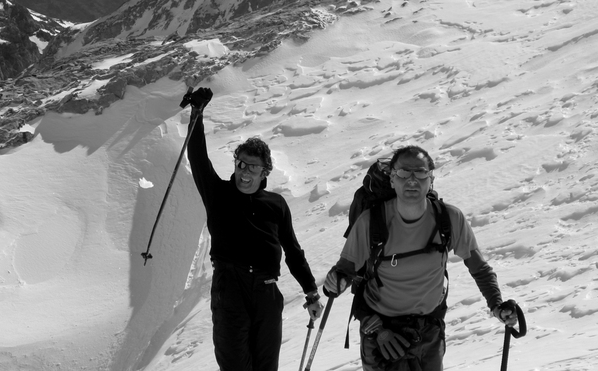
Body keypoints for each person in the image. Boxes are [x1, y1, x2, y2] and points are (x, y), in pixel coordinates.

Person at [323, 145, 518, 371]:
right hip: (382, 332)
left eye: (421, 173)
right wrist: (336, 282)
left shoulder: (449, 218)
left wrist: (496, 305)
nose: (412, 180)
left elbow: (479, 268)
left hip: (429, 330)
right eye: (404, 173)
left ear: (430, 179)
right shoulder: (371, 222)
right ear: (392, 180)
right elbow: (346, 270)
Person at [183, 87, 323, 371]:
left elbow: (293, 252)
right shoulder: (218, 193)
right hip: (230, 289)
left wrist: (310, 291)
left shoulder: (276, 205)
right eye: (240, 164)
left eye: (252, 167)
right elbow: (198, 159)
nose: (244, 172)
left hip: (267, 293)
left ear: (264, 173)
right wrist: (197, 114)